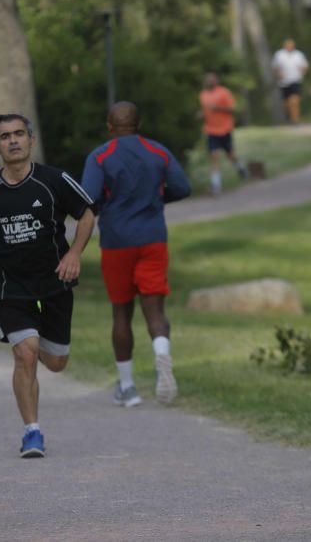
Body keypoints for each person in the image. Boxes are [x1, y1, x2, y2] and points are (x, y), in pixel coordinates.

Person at [0, 113, 95, 459]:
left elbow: (88, 213)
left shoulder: (54, 180)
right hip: (10, 285)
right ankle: (31, 431)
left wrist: (75, 254)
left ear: (31, 140)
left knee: (56, 362)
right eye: (6, 136)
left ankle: (49, 358)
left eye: (19, 134)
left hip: (55, 281)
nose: (14, 140)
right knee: (25, 352)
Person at [81, 102, 191, 407]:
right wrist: (156, 199)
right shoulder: (158, 151)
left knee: (121, 313)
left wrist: (108, 205)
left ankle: (127, 387)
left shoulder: (100, 156)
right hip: (153, 237)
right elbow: (182, 187)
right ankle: (161, 355)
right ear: (139, 124)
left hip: (116, 240)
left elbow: (87, 198)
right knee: (154, 309)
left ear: (109, 126)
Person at [198, 72, 248, 195]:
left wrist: (218, 108)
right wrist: (201, 114)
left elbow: (232, 109)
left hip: (225, 129)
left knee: (231, 155)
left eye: (212, 80)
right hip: (211, 130)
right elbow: (206, 110)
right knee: (214, 156)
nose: (209, 82)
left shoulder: (224, 92)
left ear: (216, 81)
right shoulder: (203, 95)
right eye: (207, 80)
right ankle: (216, 185)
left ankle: (241, 168)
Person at [271, 38, 310, 125]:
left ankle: (295, 120)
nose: (289, 46)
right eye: (288, 45)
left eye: (291, 45)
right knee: (286, 103)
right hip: (284, 82)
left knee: (295, 101)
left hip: (296, 80)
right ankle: (289, 117)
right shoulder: (279, 55)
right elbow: (274, 67)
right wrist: (279, 73)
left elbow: (305, 66)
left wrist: (303, 72)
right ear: (284, 45)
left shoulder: (298, 54)